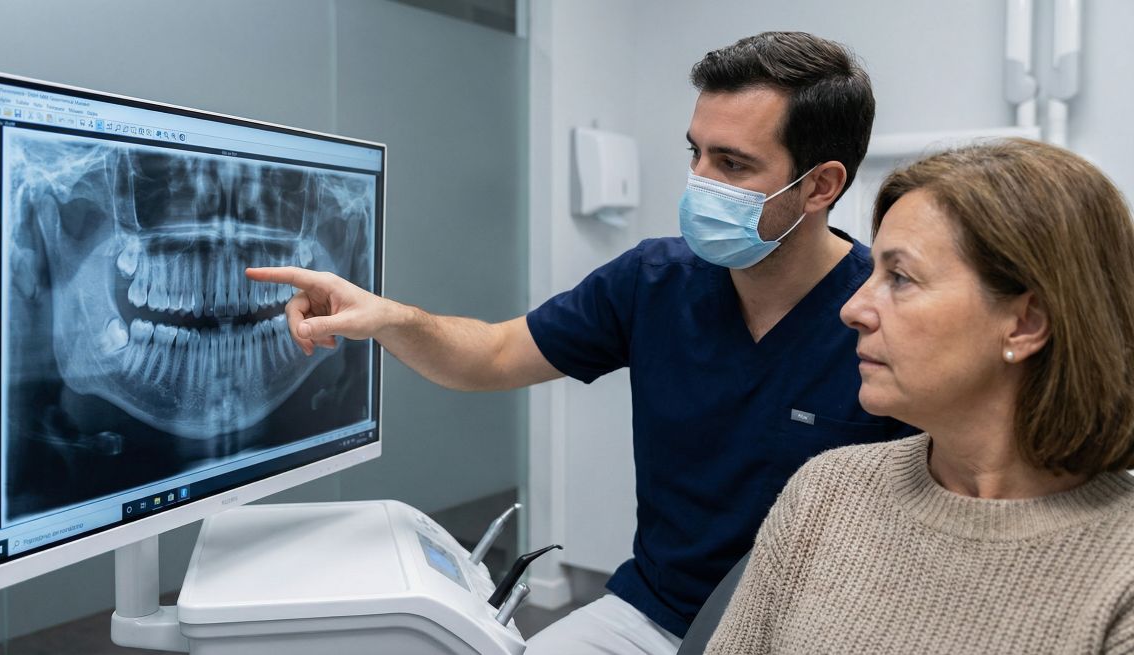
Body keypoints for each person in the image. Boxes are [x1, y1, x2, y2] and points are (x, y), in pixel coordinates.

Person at [248, 32, 913, 654]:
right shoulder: (654, 281)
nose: (700, 180)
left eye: (733, 163)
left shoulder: (885, 318)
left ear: (821, 185)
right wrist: (385, 316)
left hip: (811, 633)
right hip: (652, 614)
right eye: (696, 152)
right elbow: (495, 353)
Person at [705, 138, 1134, 655]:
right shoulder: (826, 494)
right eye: (873, 275)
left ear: (1025, 323)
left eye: (901, 278)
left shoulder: (1121, 570)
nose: (854, 309)